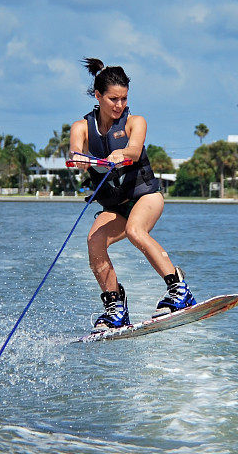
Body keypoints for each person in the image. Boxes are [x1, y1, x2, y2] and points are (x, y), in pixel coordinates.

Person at [69, 57, 196, 330]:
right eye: (113, 99)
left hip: (145, 196)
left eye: (124, 99)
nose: (119, 105)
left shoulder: (135, 122)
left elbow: (134, 150)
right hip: (114, 205)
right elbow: (76, 153)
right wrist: (81, 159)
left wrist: (122, 153)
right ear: (98, 95)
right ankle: (115, 307)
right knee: (94, 242)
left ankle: (179, 289)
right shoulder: (81, 127)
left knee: (137, 231)